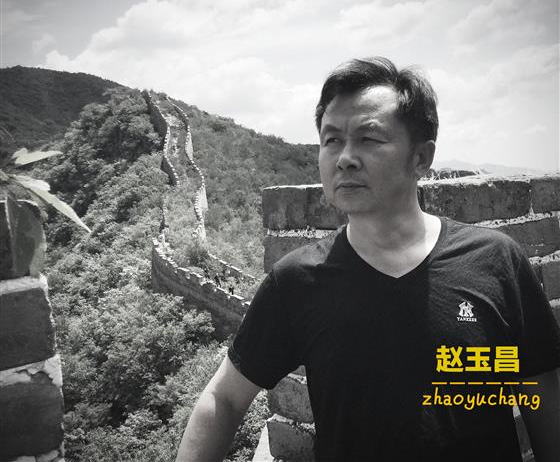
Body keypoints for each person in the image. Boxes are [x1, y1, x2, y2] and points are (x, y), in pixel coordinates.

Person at [176, 57, 560, 461]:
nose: (345, 157)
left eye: (369, 138)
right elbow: (224, 398)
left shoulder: (495, 261)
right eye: (332, 140)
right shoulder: (297, 281)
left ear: (421, 157)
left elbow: (541, 388)